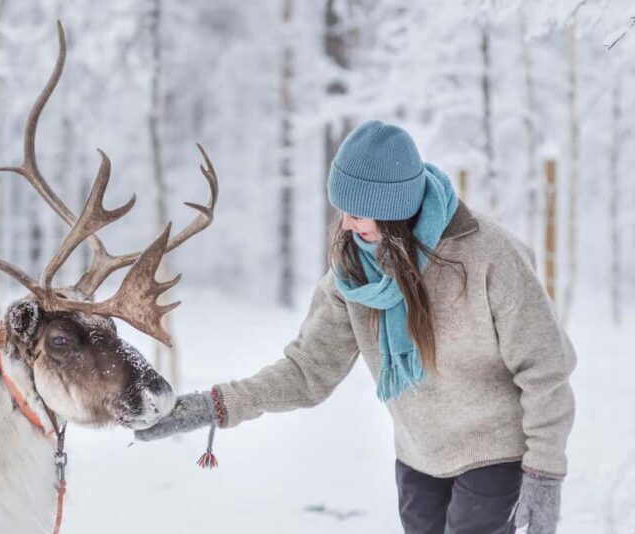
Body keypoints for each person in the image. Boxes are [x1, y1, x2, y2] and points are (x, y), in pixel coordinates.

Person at [135, 120, 576, 534]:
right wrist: (213, 406)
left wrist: (544, 471)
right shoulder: (354, 275)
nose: (344, 223)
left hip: (495, 451)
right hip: (419, 457)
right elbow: (306, 371)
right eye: (341, 209)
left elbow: (545, 368)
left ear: (393, 209)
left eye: (357, 212)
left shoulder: (488, 255)